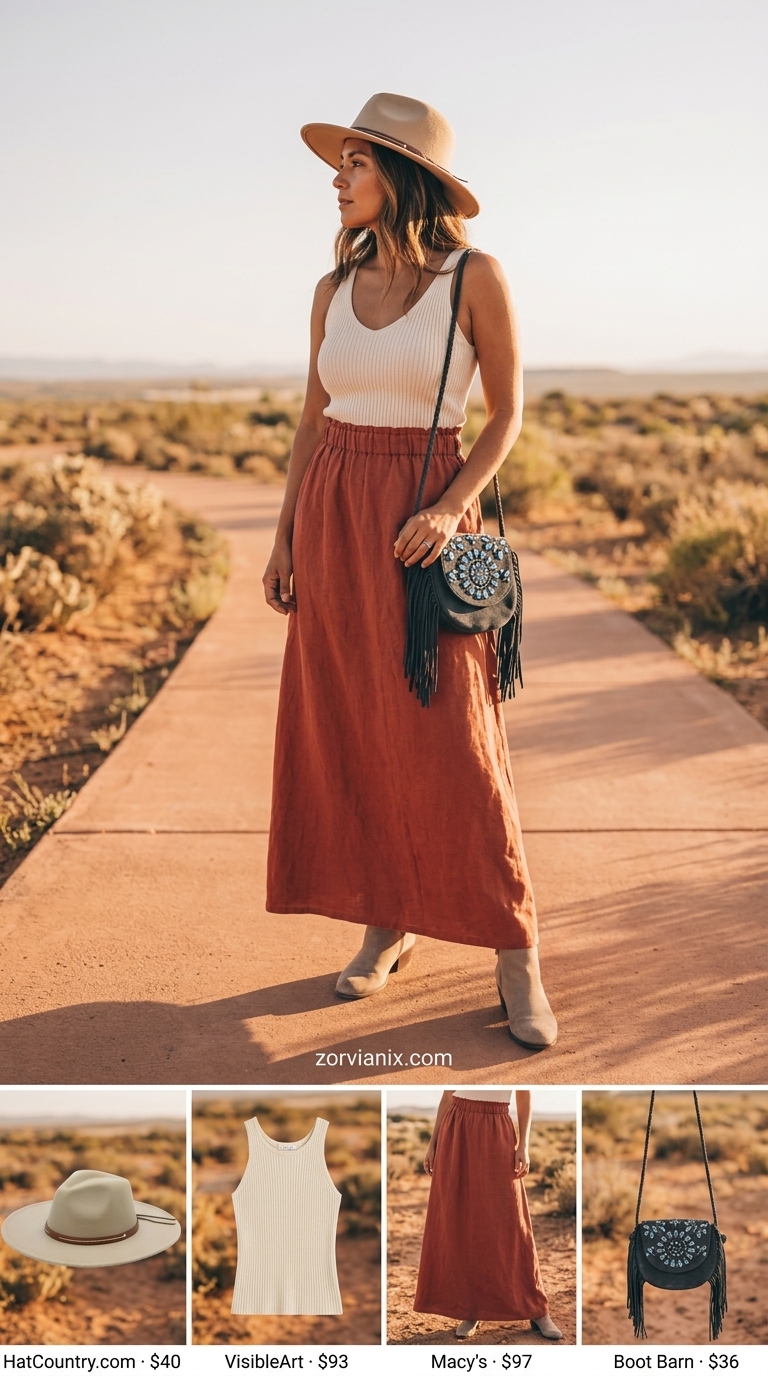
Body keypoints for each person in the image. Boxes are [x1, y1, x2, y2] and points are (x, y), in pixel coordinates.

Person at [262, 92, 556, 1048]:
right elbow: (314, 421)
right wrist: (283, 536)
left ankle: (516, 951)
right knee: (352, 729)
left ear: (403, 177)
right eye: (337, 166)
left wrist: (444, 506)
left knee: (457, 743)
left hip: (426, 519)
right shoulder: (328, 290)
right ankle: (387, 922)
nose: (336, 182)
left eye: (354, 165)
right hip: (335, 513)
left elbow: (505, 413)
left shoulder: (477, 277)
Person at [414, 1089, 563, 1340]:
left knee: (511, 1224)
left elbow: (524, 1095)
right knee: (463, 1220)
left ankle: (537, 1309)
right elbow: (447, 1096)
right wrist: (433, 1143)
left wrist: (523, 1145)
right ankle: (470, 1308)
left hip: (497, 1128)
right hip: (456, 1128)